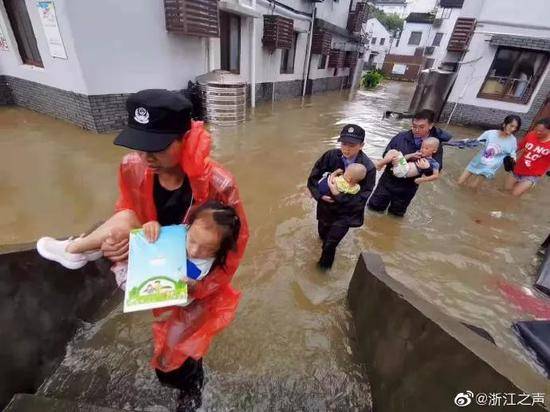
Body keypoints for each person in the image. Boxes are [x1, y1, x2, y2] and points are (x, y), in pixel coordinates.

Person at [39, 89, 249, 409]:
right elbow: (127, 209)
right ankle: (78, 249)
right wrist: (116, 244)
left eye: (157, 147)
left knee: (180, 357)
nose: (146, 156)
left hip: (196, 278)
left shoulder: (219, 184)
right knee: (165, 346)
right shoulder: (132, 167)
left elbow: (234, 248)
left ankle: (192, 391)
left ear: (183, 139)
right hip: (154, 261)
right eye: (140, 145)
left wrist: (201, 287)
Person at [307, 124, 376, 269]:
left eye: (352, 145)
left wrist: (339, 196)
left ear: (361, 145)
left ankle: (322, 270)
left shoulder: (368, 168)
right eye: (344, 143)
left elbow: (363, 198)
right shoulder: (331, 155)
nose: (347, 148)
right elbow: (313, 178)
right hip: (325, 206)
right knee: (322, 235)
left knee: (330, 244)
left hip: (346, 213)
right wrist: (318, 196)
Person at [367, 109, 452, 216]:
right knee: (373, 210)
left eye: (421, 127)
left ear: (430, 126)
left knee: (396, 216)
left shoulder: (434, 146)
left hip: (407, 188)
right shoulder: (401, 137)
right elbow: (386, 153)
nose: (416, 130)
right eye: (414, 126)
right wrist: (397, 159)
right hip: (387, 182)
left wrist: (425, 168)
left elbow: (435, 171)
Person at [457, 115, 521, 189]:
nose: (513, 129)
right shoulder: (490, 133)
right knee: (459, 182)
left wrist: (513, 160)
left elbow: (512, 154)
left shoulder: (512, 141)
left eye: (515, 128)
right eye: (511, 126)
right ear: (504, 124)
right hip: (476, 162)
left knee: (473, 187)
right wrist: (466, 142)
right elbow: (477, 142)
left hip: (489, 168)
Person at [505, 118, 550, 197]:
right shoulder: (531, 134)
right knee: (505, 191)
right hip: (517, 169)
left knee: (513, 195)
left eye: (541, 131)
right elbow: (518, 147)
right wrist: (507, 155)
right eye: (536, 130)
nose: (537, 132)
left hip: (532, 175)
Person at [375, 137, 441, 184]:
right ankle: (381, 165)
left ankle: (379, 164)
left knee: (394, 153)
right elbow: (404, 157)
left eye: (426, 148)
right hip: (401, 167)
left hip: (404, 172)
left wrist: (422, 179)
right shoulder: (418, 154)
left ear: (434, 150)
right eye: (422, 147)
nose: (422, 150)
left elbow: (435, 176)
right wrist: (412, 155)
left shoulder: (434, 163)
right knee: (393, 151)